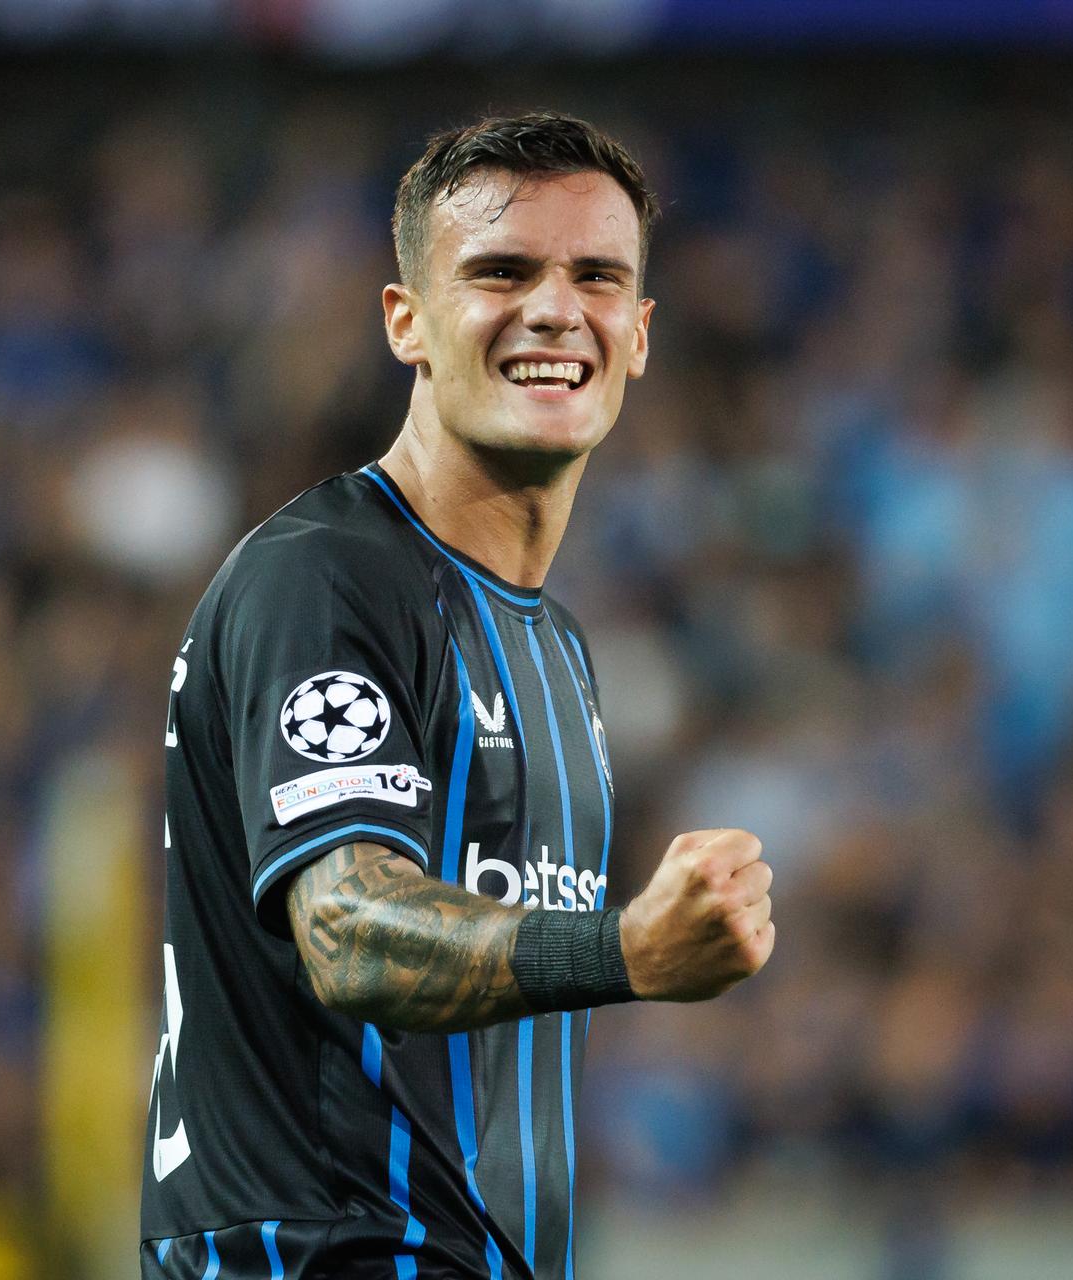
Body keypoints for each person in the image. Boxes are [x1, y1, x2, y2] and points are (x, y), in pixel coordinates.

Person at [141, 112, 775, 1280]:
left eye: (596, 276)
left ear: (637, 336)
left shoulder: (564, 651)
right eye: (500, 272)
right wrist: (625, 948)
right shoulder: (325, 576)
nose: (552, 308)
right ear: (407, 323)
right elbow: (345, 927)